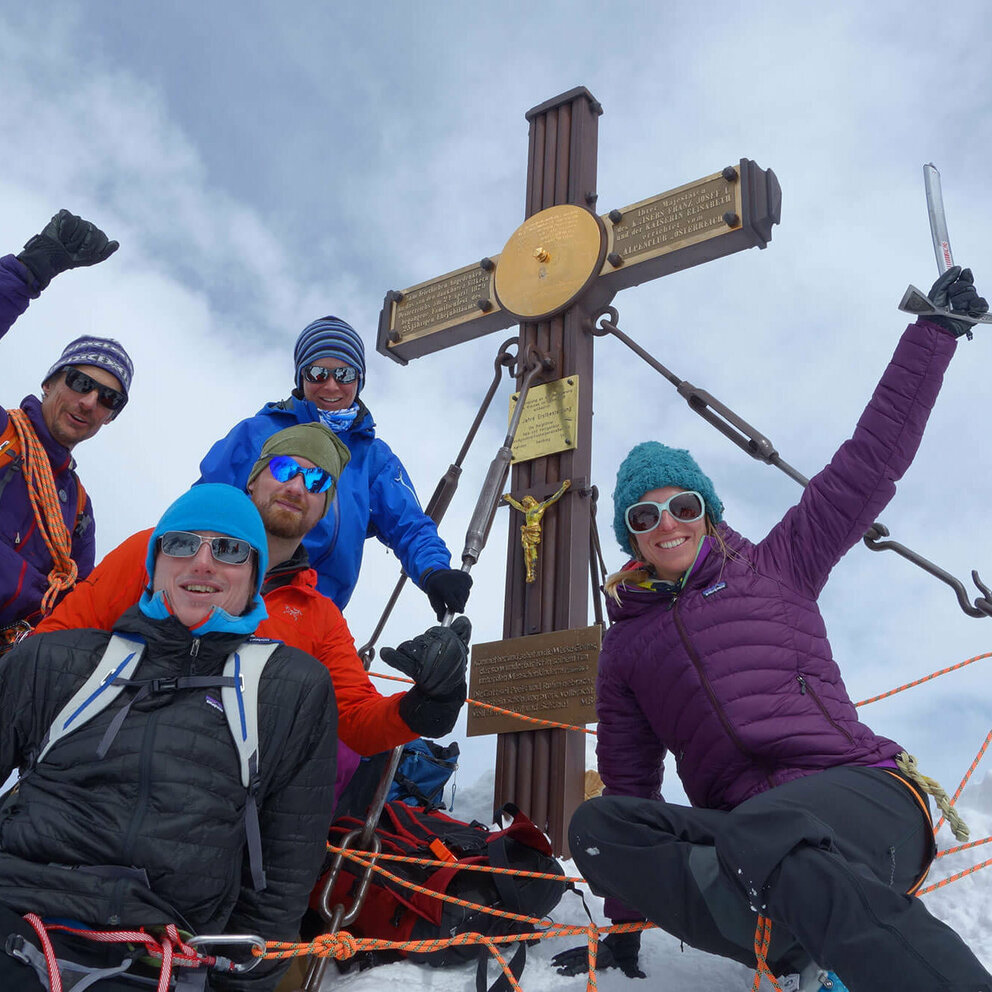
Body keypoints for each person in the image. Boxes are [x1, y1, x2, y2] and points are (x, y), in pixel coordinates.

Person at [555, 267, 992, 991]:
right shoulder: (626, 651)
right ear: (630, 538)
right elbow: (632, 788)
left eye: (683, 505)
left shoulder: (781, 561)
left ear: (710, 511)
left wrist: (933, 335)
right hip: (756, 848)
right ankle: (789, 938)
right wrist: (625, 933)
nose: (667, 523)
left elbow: (867, 466)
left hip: (864, 797)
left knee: (768, 827)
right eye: (643, 515)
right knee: (599, 830)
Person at [0, 483, 338, 991]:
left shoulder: (289, 688)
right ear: (155, 564)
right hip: (14, 909)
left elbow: (284, 868)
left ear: (254, 578)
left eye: (228, 549)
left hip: (155, 951)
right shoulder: (56, 661)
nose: (202, 562)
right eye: (181, 544)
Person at [38, 423, 473, 794]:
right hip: (88, 785)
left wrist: (428, 701)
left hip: (216, 823)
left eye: (319, 482)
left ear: (324, 508)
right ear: (253, 481)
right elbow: (51, 648)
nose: (298, 487)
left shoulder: (318, 616)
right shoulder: (162, 552)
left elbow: (358, 723)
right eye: (285, 469)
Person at [197, 315, 472, 617]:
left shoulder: (372, 459)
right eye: (317, 372)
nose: (330, 385)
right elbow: (203, 506)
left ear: (359, 380)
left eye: (344, 373)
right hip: (238, 600)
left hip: (317, 612)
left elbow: (408, 524)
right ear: (301, 378)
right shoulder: (258, 434)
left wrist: (434, 570)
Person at [0, 209, 131, 646]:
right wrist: (28, 271)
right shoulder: (3, 433)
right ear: (49, 383)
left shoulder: (77, 509)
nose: (90, 401)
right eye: (80, 382)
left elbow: (80, 606)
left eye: (108, 398)